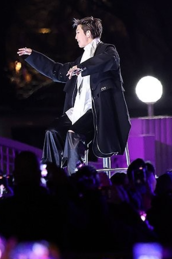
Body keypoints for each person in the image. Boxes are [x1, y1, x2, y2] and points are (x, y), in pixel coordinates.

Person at [17, 16, 131, 174]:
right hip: (78, 112)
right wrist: (33, 56)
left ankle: (76, 178)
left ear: (88, 33)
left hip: (98, 112)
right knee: (52, 131)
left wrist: (83, 68)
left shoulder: (108, 50)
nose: (76, 37)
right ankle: (53, 175)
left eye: (78, 32)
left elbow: (109, 60)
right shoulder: (80, 60)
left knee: (74, 133)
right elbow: (57, 71)